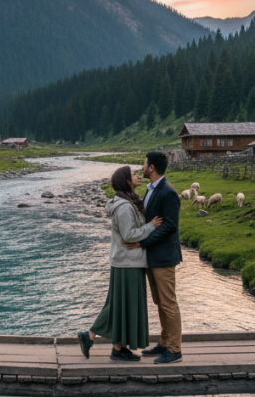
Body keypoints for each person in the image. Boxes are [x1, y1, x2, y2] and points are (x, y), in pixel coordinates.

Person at [77, 166, 162, 361]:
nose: (137, 175)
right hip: (127, 262)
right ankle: (114, 347)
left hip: (126, 261)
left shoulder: (128, 202)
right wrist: (151, 226)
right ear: (127, 181)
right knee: (122, 305)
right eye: (133, 174)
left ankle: (105, 342)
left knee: (118, 305)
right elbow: (128, 235)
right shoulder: (124, 207)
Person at [131, 151, 183, 364]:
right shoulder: (151, 188)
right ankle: (165, 342)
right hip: (153, 257)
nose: (142, 167)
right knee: (160, 301)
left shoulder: (168, 192)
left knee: (168, 302)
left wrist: (143, 242)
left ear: (152, 167)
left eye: (144, 164)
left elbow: (170, 226)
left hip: (164, 257)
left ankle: (175, 349)